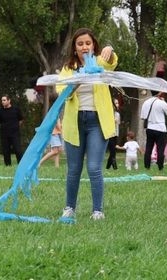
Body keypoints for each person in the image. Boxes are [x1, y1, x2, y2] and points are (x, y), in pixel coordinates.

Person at [57, 28, 118, 222]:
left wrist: (109, 49)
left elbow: (112, 62)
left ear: (94, 46)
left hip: (97, 122)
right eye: (80, 44)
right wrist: (76, 81)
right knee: (74, 168)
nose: (84, 47)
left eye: (88, 43)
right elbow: (62, 91)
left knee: (94, 167)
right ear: (74, 48)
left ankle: (97, 211)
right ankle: (69, 208)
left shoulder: (100, 63)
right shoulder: (68, 69)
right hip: (74, 123)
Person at [141, 91, 167, 171]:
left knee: (148, 148)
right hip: (160, 128)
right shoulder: (161, 102)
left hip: (150, 127)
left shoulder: (146, 102)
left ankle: (147, 166)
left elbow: (143, 117)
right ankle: (160, 167)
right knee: (160, 149)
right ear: (159, 93)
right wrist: (164, 101)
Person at [0, 95, 25, 166]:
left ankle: (21, 165)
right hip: (4, 134)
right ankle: (8, 165)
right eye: (2, 100)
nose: (2, 102)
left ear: (9, 101)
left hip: (15, 133)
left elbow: (21, 120)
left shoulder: (16, 109)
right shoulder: (0, 111)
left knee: (18, 150)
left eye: (4, 100)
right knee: (6, 151)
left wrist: (15, 126)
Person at [106, 101, 121, 170]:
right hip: (109, 134)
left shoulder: (117, 114)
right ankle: (115, 167)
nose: (117, 104)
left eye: (118, 103)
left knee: (113, 150)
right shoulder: (107, 113)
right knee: (112, 151)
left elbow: (118, 122)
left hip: (115, 134)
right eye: (115, 103)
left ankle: (108, 167)